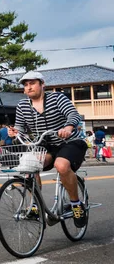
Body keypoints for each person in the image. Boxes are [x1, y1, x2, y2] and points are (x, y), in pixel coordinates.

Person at [8, 71, 88, 228]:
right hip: (45, 145)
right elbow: (20, 128)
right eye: (25, 85)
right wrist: (14, 132)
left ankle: (76, 204)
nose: (28, 87)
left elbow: (74, 114)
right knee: (30, 166)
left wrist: (68, 127)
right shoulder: (23, 106)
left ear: (42, 84)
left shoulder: (57, 98)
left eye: (32, 83)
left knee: (61, 166)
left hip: (69, 141)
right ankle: (36, 206)